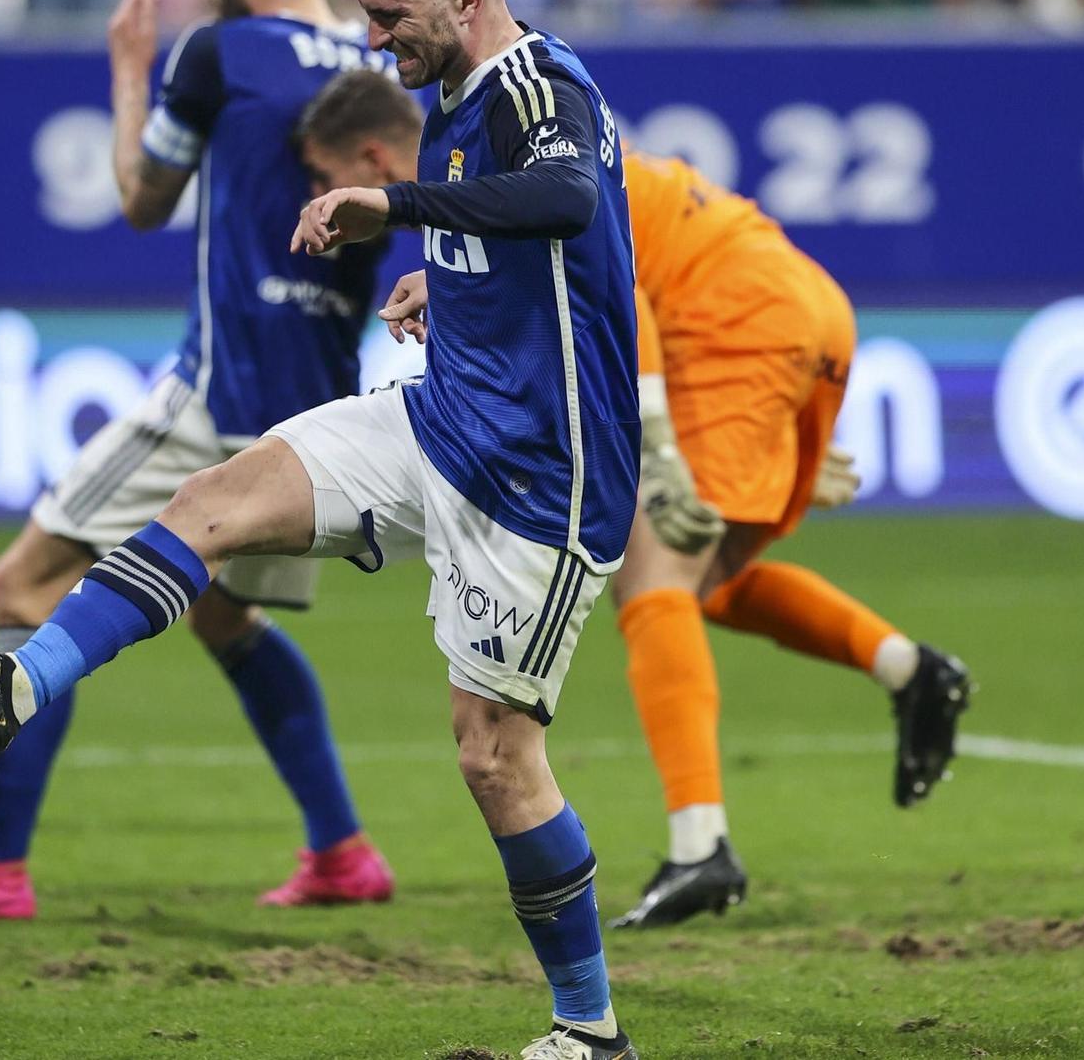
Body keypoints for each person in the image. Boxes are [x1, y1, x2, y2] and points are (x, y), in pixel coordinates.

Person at [0, 0, 641, 1060]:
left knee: (494, 757)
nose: (376, 44)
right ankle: (9, 695)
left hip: (543, 472)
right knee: (208, 502)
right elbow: (519, 248)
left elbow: (563, 197)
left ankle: (587, 1031)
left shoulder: (536, 81)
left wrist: (390, 206)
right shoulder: (446, 95)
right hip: (441, 416)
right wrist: (434, 281)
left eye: (392, 21)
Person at [293, 70, 974, 929]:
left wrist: (660, 453)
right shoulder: (503, 179)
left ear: (374, 158)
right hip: (793, 310)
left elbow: (620, 299)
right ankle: (912, 671)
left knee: (651, 579)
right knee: (698, 590)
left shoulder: (492, 169)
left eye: (327, 178)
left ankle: (702, 847)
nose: (326, 199)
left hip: (734, 327)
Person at [0, 0, 397, 922]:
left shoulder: (214, 53)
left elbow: (139, 198)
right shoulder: (372, 65)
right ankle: (342, 849)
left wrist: (129, 75)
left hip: (214, 391)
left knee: (24, 581)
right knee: (220, 616)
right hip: (313, 411)